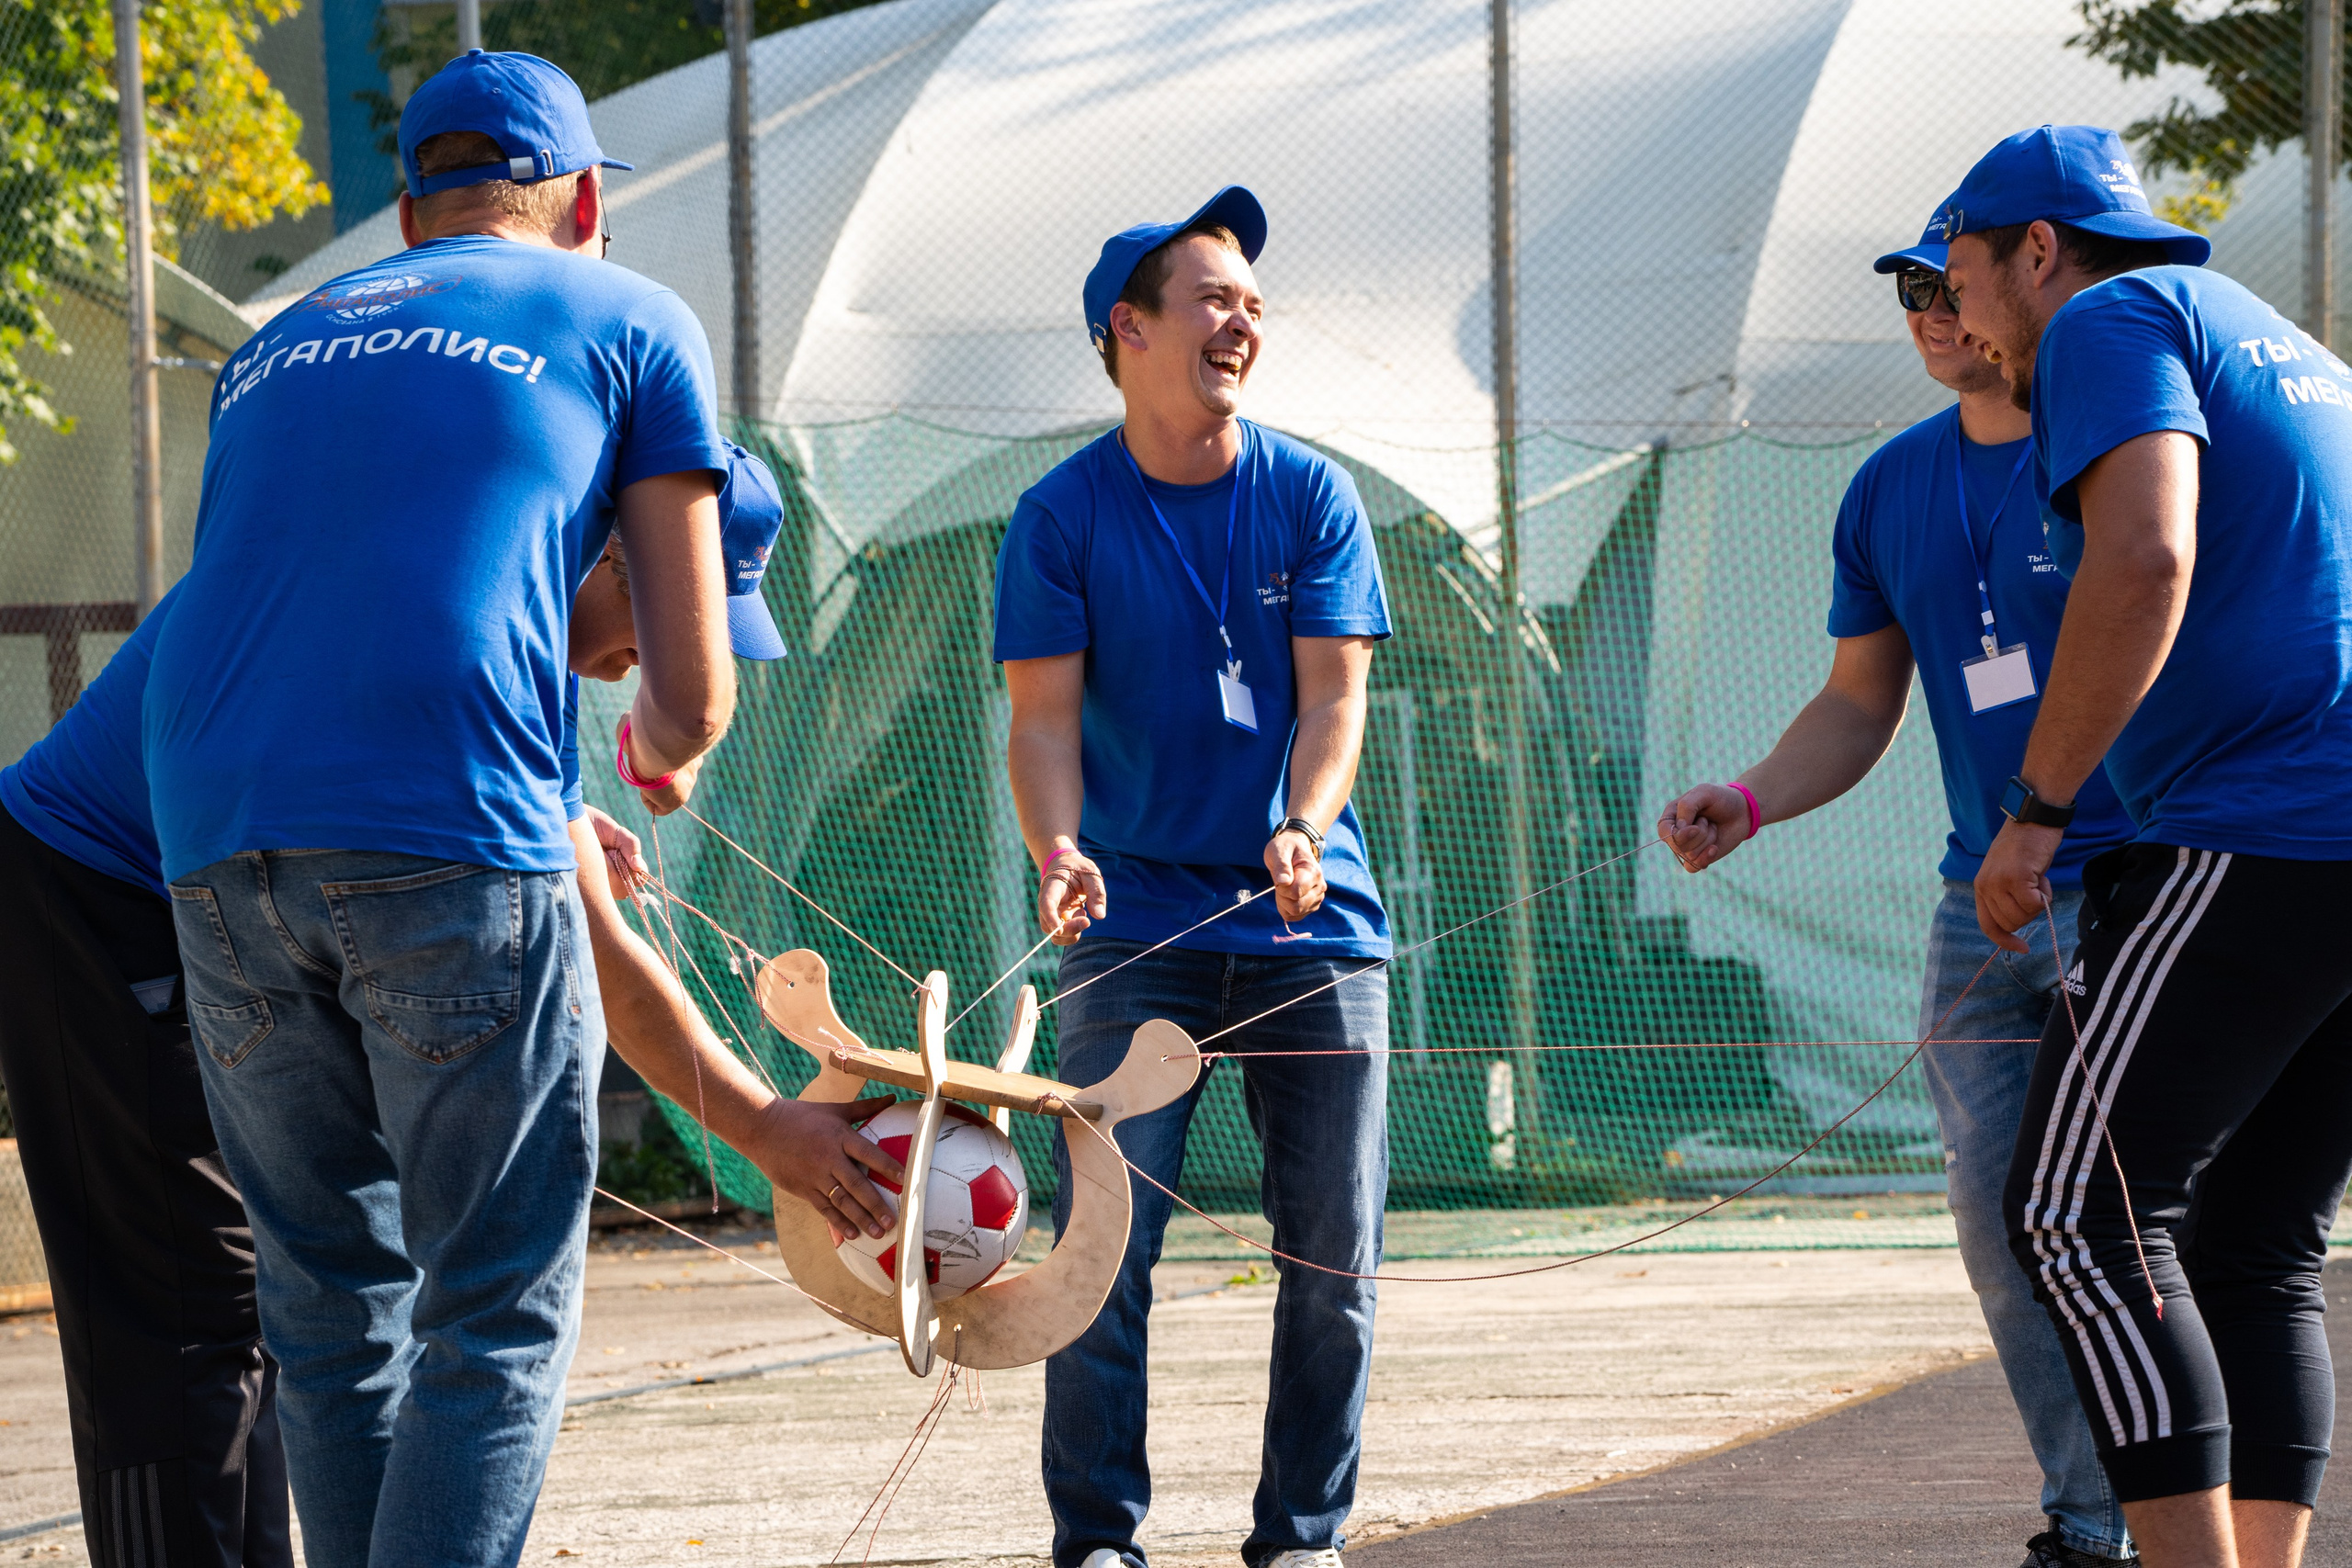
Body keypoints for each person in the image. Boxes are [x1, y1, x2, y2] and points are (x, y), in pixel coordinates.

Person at [0, 444, 894, 1568]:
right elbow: (603, 961)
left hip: (218, 880)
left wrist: (558, 824)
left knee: (294, 1312)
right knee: (183, 1321)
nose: (643, 671)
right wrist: (763, 1127)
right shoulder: (478, 610)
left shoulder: (495, 570)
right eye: (670, 627)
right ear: (622, 553)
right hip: (92, 891)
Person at [141, 51, 735, 1568]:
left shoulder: (268, 349)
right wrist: (657, 752)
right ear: (590, 201)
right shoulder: (630, 315)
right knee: (495, 1310)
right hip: (439, 830)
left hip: (208, 828)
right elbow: (690, 692)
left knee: (334, 1314)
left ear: (409, 218)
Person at [1657, 209, 2142, 1568]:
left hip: (2139, 881)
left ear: (2020, 277)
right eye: (1909, 290)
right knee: (2003, 1225)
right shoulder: (1885, 487)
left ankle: (2190, 1512)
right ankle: (2093, 1518)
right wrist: (1747, 798)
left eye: (1951, 279)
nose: (1933, 307)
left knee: (2142, 1217)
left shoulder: (2111, 442)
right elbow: (1859, 704)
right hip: (1979, 906)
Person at [1938, 124, 2352, 1568]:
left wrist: (2036, 811)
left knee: (2071, 1204)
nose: (1961, 315)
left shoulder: (2112, 317)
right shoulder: (2271, 333)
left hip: (2268, 828)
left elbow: (2147, 556)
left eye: (1964, 276)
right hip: (2328, 836)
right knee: (2252, 1233)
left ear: (2038, 251)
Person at [994, 186, 1393, 1568]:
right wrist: (1059, 848)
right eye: (1217, 298)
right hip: (1134, 929)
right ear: (1131, 329)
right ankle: (1098, 1536)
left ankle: (1302, 1538)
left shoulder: (1313, 493)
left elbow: (1334, 702)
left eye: (1256, 308)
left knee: (1333, 1264)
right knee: (1101, 1258)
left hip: (1310, 916)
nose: (1244, 323)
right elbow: (1041, 723)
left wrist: (1302, 818)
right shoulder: (1058, 516)